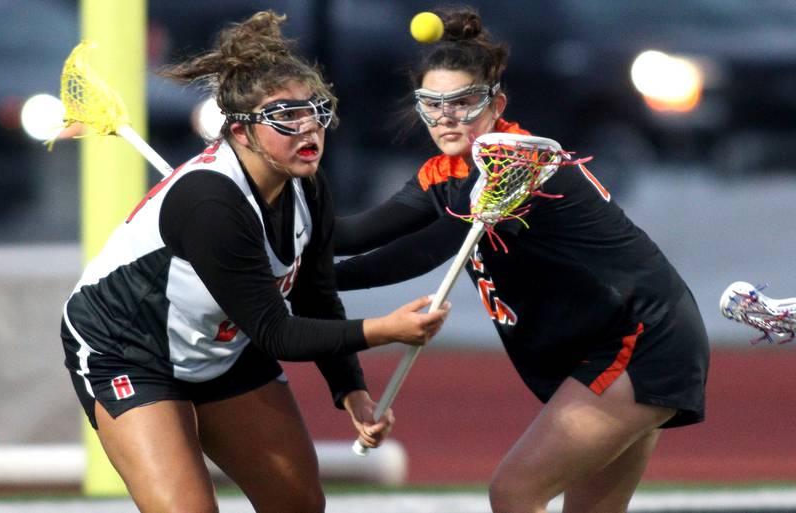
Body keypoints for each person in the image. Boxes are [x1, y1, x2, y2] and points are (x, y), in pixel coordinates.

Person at [60, 11, 449, 513]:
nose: (308, 127)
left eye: (314, 110)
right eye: (286, 117)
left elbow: (315, 294)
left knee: (298, 503)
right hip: (129, 349)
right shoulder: (210, 204)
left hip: (221, 346)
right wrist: (386, 330)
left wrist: (351, 391)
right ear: (240, 132)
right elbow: (278, 332)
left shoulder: (306, 184)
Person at [333, 6, 709, 513]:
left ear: (495, 104)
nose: (447, 117)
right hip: (605, 339)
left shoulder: (514, 162)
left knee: (514, 492)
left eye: (463, 102)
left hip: (637, 338)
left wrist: (309, 282)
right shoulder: (446, 172)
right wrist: (264, 213)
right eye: (433, 104)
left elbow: (427, 249)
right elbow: (355, 234)